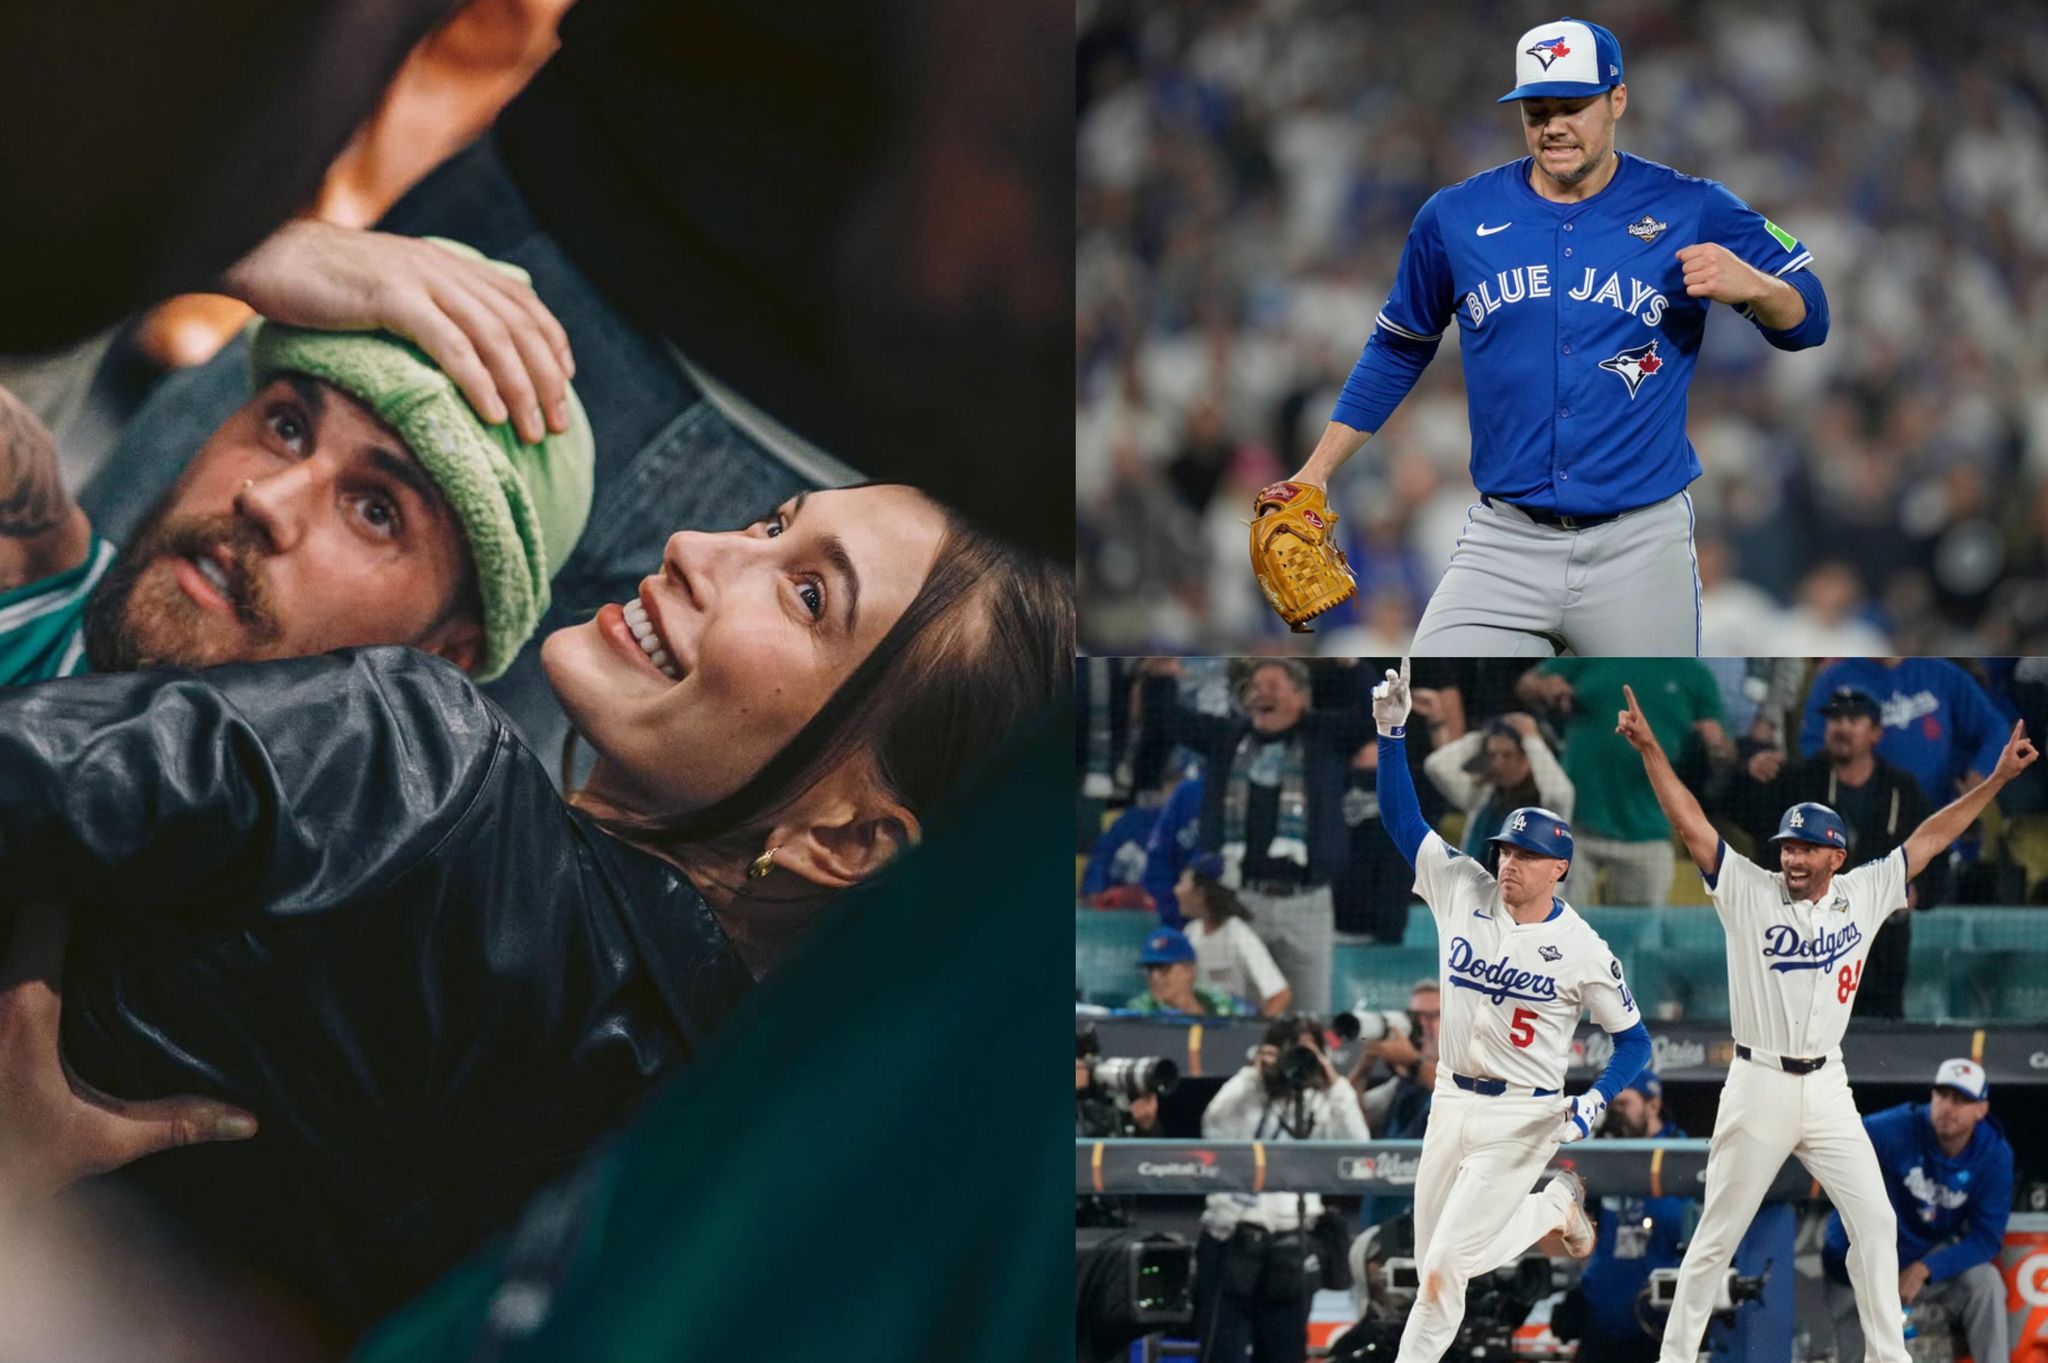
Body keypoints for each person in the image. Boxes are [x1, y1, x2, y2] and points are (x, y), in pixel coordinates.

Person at [0, 485, 1072, 1336]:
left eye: (807, 595)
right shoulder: (687, 1191)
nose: (700, 547)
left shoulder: (412, 765)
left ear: (846, 839)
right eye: (770, 522)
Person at [1259, 17, 1827, 655]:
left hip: (1639, 546)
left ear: (1617, 99)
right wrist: (1316, 471)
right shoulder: (1457, 215)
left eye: (1573, 106)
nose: (1553, 124)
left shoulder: (1692, 206)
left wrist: (1758, 288)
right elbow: (1399, 345)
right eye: (1537, 109)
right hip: (1505, 542)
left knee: (1652, 741)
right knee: (1422, 716)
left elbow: (1812, 317)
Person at [1612, 684, 2037, 1363]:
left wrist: (1994, 780)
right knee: (1718, 1233)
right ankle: (1676, 1356)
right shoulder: (1749, 890)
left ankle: (1884, 1355)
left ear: (1836, 856)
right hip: (1759, 1082)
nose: (1794, 857)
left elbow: (1930, 837)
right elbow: (1693, 823)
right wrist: (1652, 752)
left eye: (1809, 848)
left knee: (1876, 1220)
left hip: (1828, 1083)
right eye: (1788, 845)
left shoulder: (1864, 890)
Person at [0, 226, 591, 687]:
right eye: (287, 427)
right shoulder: (27, 580)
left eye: (376, 511)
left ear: (440, 657)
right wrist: (244, 248)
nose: (266, 501)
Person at [1370, 659, 1652, 1363]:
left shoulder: (1583, 947)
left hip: (1522, 1114)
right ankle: (1552, 1207)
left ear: (1558, 867)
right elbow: (1403, 819)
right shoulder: (1465, 886)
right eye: (1506, 849)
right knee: (1442, 1260)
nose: (1509, 863)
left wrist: (1597, 1100)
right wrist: (1391, 731)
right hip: (1450, 1098)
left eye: (1526, 855)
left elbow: (1637, 1044)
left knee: (1439, 1273)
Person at [1137, 657, 1374, 1015]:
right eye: (1256, 687)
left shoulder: (1326, 735)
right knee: (1235, 1013)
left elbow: (1377, 713)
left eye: (1273, 686)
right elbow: (1170, 720)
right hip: (1241, 898)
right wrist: (1160, 679)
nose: (1261, 694)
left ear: (1300, 696)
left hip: (1306, 901)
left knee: (1308, 1016)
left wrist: (1354, 666)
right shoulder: (1227, 737)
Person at [1724, 686, 1932, 1019]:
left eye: (1853, 719)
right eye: (1835, 718)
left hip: (1881, 957)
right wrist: (1746, 771)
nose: (1842, 727)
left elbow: (1932, 857)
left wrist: (1918, 891)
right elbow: (1737, 815)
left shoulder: (1902, 789)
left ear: (1875, 732)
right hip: (1806, 953)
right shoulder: (1796, 781)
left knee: (1883, 1053)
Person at [1194, 1016, 1368, 1363]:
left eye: (1308, 1053)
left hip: (1291, 1245)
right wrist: (1254, 1073)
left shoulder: (1322, 1101)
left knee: (1285, 1355)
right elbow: (1213, 1126)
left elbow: (1357, 1150)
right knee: (1220, 1353)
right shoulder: (1249, 1091)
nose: (1296, 1061)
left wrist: (1333, 1081)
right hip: (1231, 1243)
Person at [1822, 1059, 2013, 1363]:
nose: (1948, 1106)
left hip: (1921, 1257)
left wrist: (1927, 1268)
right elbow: (1837, 1142)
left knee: (1985, 1282)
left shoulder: (1993, 1155)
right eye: (1942, 1095)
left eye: (1961, 1100)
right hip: (1860, 1260)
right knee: (1857, 1357)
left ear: (1981, 1109)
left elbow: (1987, 1239)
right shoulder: (1899, 1127)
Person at [1520, 659, 1730, 906]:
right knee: (1551, 927)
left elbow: (1725, 752)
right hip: (1575, 827)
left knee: (1639, 939)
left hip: (1648, 833)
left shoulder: (1695, 675)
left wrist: (1717, 744)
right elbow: (1527, 684)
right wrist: (1541, 687)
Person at [1553, 1074, 1693, 1363]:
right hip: (1602, 1320)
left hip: (1655, 1321)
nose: (1617, 1113)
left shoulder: (1682, 1154)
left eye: (1625, 1103)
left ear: (1652, 1105)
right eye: (1612, 1106)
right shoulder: (1606, 1154)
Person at [1798, 658, 2011, 812]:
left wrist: (1980, 773)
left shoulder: (1940, 672)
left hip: (1938, 813)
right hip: (1862, 817)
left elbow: (1995, 727)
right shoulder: (1835, 679)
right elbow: (1812, 746)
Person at [1423, 713, 1576, 861]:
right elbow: (1436, 766)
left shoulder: (1547, 809)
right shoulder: (1483, 796)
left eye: (1508, 755)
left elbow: (1560, 794)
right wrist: (1482, 737)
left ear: (1530, 758)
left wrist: (1532, 740)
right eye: (1492, 755)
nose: (1497, 765)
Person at [1176, 853, 1293, 1017]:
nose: (1177, 890)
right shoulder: (1191, 933)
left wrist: (1251, 1034)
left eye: (1182, 882)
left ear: (1200, 894)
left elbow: (1280, 995)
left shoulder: (1240, 936)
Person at [1123, 927, 1252, 1018]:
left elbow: (1252, 1025)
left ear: (1189, 970)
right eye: (1150, 969)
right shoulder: (1142, 1010)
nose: (1155, 977)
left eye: (1164, 968)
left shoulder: (1219, 1002)